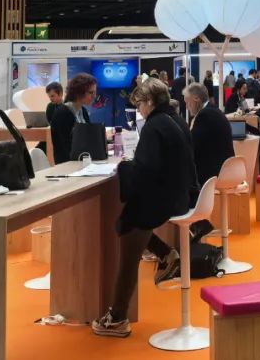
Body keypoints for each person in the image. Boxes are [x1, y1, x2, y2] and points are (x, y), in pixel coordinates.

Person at [93, 79, 197, 339]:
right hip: (180, 195)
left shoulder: (154, 126)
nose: (138, 109)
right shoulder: (174, 120)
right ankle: (166, 253)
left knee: (129, 234)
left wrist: (124, 167)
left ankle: (117, 318)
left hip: (163, 198)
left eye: (139, 103)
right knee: (127, 221)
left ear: (150, 101)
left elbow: (144, 173)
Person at [184, 83, 234, 185]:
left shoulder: (204, 115)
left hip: (213, 172)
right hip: (226, 167)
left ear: (196, 99)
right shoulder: (213, 110)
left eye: (187, 102)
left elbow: (193, 145)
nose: (186, 107)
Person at [50, 73, 96, 164]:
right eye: (91, 93)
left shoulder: (83, 111)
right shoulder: (62, 114)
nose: (94, 96)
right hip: (67, 164)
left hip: (82, 161)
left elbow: (88, 138)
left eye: (94, 92)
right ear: (78, 93)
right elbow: (67, 147)